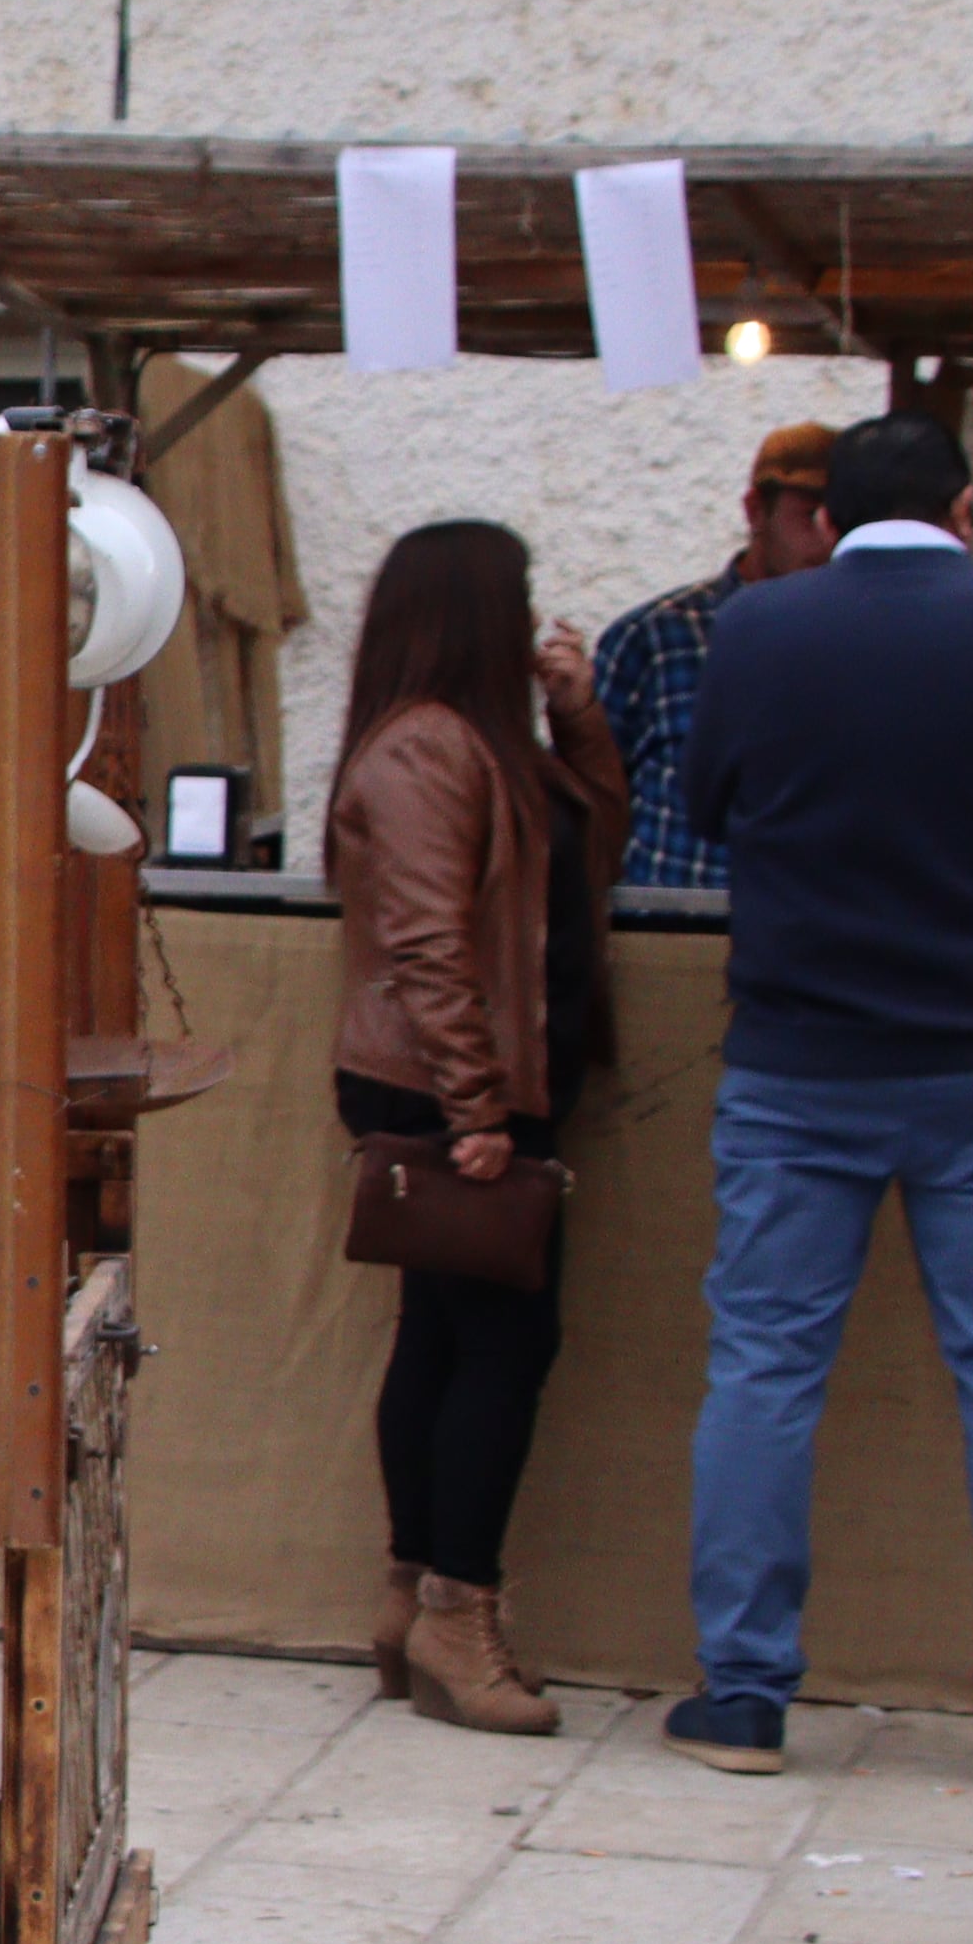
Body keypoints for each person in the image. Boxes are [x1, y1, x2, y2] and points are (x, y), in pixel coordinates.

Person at [666, 413, 973, 1786]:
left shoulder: (762, 632)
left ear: (822, 524)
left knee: (767, 1368)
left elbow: (707, 804)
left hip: (798, 1064)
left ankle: (746, 1695)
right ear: (967, 510)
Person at [324, 519, 620, 1736]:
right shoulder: (423, 751)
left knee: (446, 1339)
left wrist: (576, 721)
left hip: (479, 1080)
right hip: (452, 1085)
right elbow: (427, 942)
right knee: (503, 1345)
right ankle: (454, 1609)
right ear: (472, 613)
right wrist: (474, 1106)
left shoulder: (477, 744)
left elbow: (590, 850)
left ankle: (411, 1596)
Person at [590, 422, 839, 891]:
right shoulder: (655, 638)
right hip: (668, 930)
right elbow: (586, 799)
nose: (826, 540)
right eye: (809, 516)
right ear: (754, 511)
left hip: (804, 933)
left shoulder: (862, 643)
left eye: (840, 523)